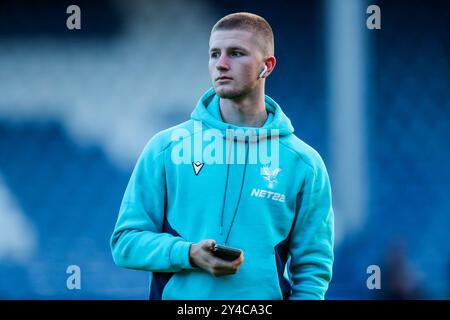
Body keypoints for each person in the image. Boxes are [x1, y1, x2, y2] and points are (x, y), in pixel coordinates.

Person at [110, 12, 334, 300]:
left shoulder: (304, 163)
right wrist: (189, 254)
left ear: (267, 66)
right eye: (214, 54)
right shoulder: (165, 148)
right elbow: (125, 243)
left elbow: (313, 270)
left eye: (236, 53)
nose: (221, 64)